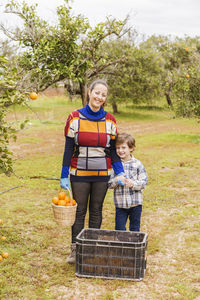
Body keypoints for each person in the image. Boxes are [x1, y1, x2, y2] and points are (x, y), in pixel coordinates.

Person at [60, 79, 125, 264]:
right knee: (79, 212)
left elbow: (112, 150)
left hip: (102, 174)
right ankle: (75, 250)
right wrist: (64, 175)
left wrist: (119, 172)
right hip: (79, 173)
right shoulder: (74, 117)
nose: (99, 97)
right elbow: (68, 149)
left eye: (103, 95)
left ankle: (91, 248)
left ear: (105, 99)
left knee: (96, 211)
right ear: (90, 92)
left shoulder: (110, 120)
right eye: (97, 93)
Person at [108, 132, 148, 232]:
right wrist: (116, 180)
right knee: (119, 229)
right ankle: (122, 246)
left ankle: (133, 246)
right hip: (120, 205)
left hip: (135, 204)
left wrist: (133, 184)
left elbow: (144, 182)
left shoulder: (137, 164)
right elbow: (109, 184)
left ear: (131, 148)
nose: (120, 150)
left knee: (135, 228)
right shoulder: (114, 166)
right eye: (118, 148)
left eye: (123, 147)